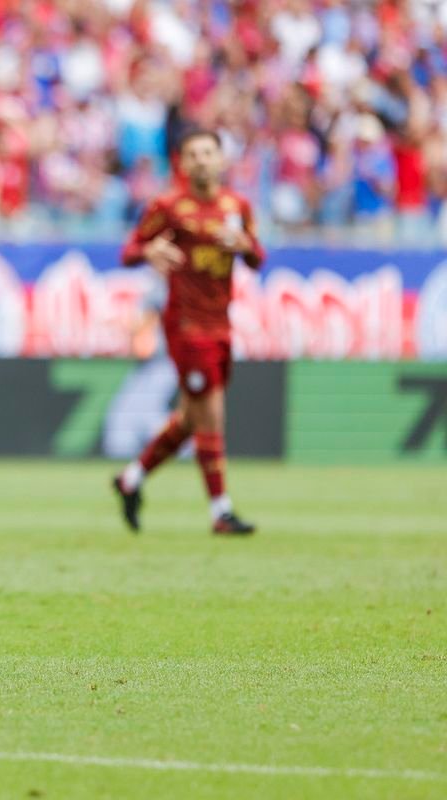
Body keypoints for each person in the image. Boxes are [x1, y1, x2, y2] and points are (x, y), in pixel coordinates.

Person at [113, 129, 262, 535]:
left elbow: (257, 258)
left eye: (208, 153)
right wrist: (148, 251)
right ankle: (221, 511)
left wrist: (245, 245)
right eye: (193, 154)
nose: (201, 161)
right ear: (182, 162)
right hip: (185, 325)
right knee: (211, 415)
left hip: (221, 324)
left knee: (191, 418)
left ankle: (130, 479)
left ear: (221, 160)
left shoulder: (237, 206)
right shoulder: (168, 206)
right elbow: (128, 251)